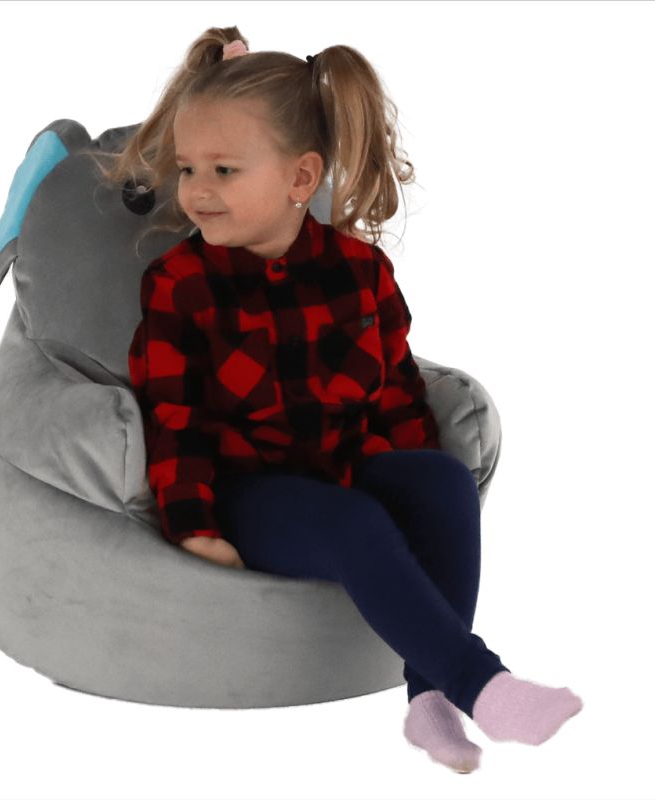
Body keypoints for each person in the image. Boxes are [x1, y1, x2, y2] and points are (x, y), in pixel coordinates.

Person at [110, 26, 583, 774]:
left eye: (224, 170)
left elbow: (396, 393)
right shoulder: (179, 284)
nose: (195, 191)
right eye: (189, 168)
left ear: (301, 178)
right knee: (352, 520)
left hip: (343, 462)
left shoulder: (360, 272)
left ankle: (429, 701)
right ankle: (482, 683)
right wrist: (194, 524)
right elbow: (173, 417)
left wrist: (414, 490)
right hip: (250, 487)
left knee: (443, 478)